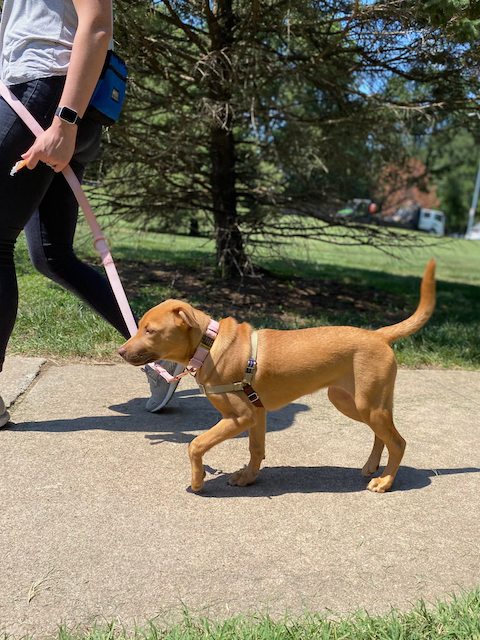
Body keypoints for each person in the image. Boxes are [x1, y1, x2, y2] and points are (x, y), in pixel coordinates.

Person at [0, 0, 181, 428]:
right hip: (37, 93)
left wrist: (64, 121)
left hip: (49, 94)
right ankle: (165, 355)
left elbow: (97, 24)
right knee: (50, 252)